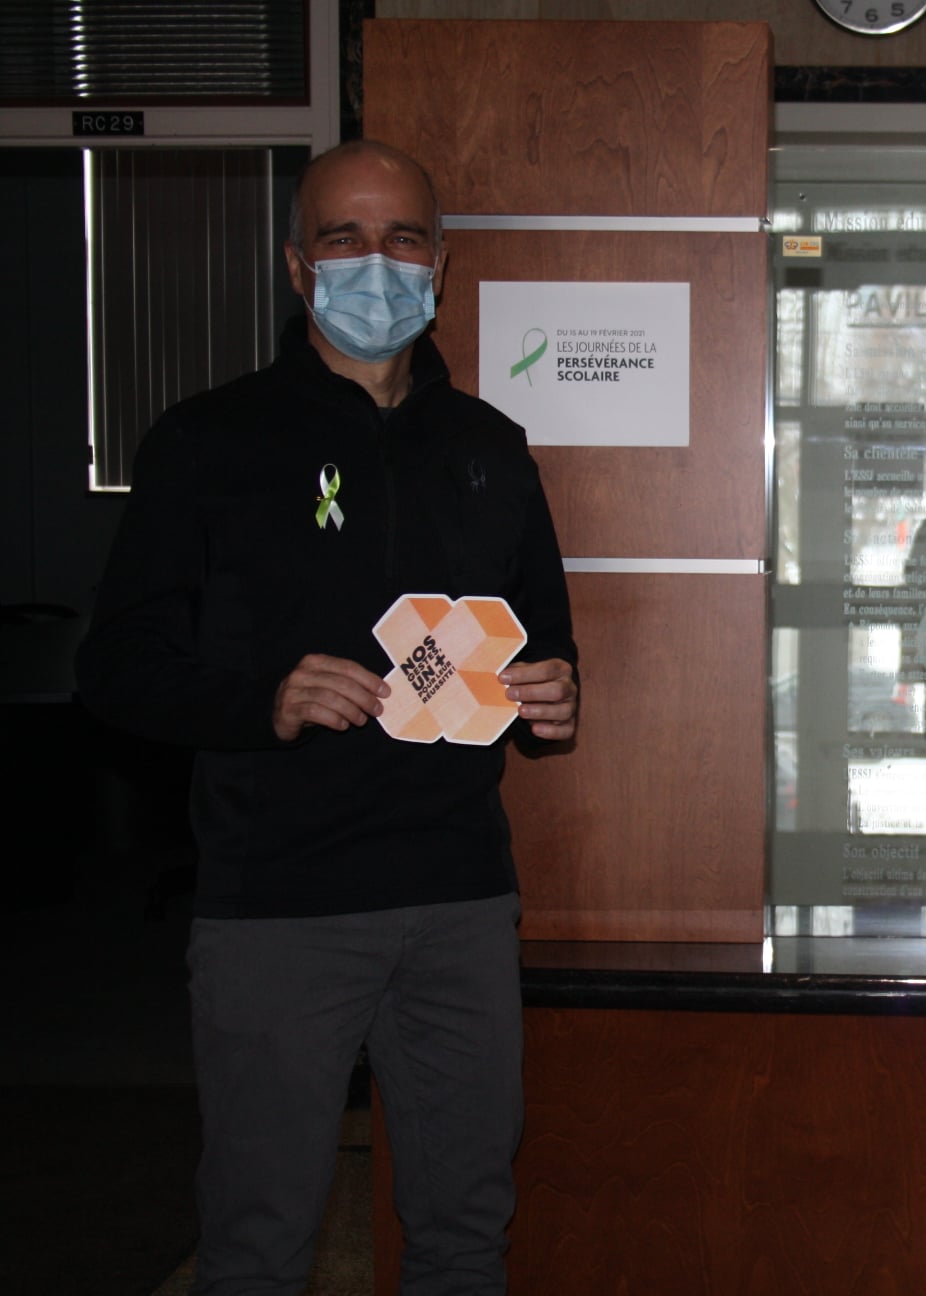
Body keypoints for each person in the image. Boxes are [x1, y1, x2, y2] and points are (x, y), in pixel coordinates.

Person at [77, 139, 578, 1295]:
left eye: (402, 238)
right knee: (259, 1239)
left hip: (460, 902)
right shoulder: (207, 443)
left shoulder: (491, 450)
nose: (376, 262)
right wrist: (263, 699)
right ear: (299, 266)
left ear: (439, 263)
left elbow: (543, 647)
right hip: (278, 908)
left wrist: (553, 694)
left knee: (465, 1231)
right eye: (344, 239)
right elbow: (117, 668)